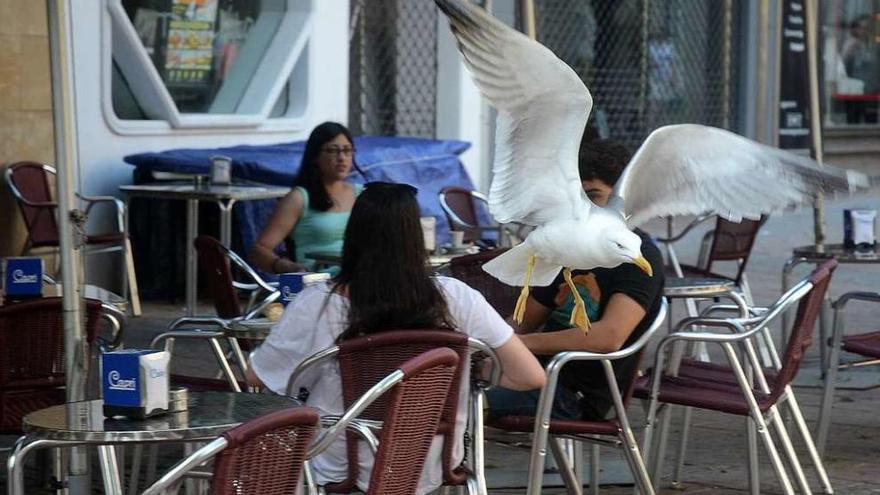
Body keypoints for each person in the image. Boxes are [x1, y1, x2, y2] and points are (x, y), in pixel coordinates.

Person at [246, 182, 545, 494]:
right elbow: (530, 375)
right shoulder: (457, 298)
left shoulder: (317, 302)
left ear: (353, 235)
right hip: (429, 462)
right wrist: (468, 370)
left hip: (339, 463)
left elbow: (258, 376)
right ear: (415, 237)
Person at [487, 138, 665, 421]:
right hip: (535, 373)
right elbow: (523, 321)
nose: (585, 209)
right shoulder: (568, 246)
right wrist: (484, 351)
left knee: (463, 404)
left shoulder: (639, 257)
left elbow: (608, 337)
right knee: (452, 389)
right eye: (579, 199)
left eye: (594, 196)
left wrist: (514, 347)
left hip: (579, 394)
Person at [250, 121, 364, 274]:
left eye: (347, 150)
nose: (342, 157)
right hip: (319, 281)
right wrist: (287, 267)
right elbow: (260, 250)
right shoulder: (299, 199)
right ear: (315, 156)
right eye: (332, 150)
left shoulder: (361, 195)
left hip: (357, 277)